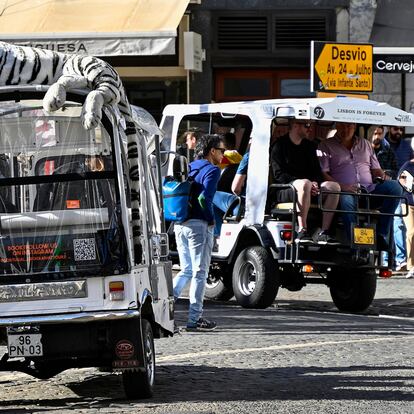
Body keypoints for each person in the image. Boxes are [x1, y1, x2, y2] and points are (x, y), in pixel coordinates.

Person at [318, 122, 403, 250]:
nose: (346, 129)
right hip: (344, 191)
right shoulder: (326, 145)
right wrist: (344, 187)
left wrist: (384, 177)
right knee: (346, 198)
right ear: (337, 126)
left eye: (349, 126)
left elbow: (376, 170)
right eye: (342, 125)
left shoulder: (366, 144)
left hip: (368, 190)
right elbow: (324, 174)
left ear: (355, 127)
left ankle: (381, 234)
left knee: (395, 187)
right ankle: (356, 243)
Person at [173, 134, 225, 331]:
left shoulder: (191, 166)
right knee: (199, 272)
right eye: (221, 150)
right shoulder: (212, 170)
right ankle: (195, 319)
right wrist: (211, 221)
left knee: (186, 269)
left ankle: (167, 303)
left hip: (180, 223)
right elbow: (205, 199)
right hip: (198, 225)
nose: (223, 154)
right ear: (212, 151)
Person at [270, 120, 340, 244]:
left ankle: (324, 232)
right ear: (295, 125)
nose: (310, 129)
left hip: (309, 188)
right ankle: (303, 230)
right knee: (304, 184)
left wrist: (315, 183)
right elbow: (278, 175)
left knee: (334, 187)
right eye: (307, 125)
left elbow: (317, 172)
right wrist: (302, 182)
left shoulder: (310, 146)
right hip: (285, 189)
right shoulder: (279, 146)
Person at [384, 126, 413, 271]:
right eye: (396, 129)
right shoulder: (384, 145)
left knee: (398, 224)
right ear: (389, 129)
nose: (399, 132)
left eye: (401, 129)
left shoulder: (407, 146)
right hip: (384, 188)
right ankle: (385, 260)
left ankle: (400, 260)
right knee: (386, 224)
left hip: (403, 192)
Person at [398, 161, 414, 278]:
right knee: (411, 232)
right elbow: (401, 179)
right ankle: (411, 266)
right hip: (408, 203)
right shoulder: (408, 165)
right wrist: (408, 185)